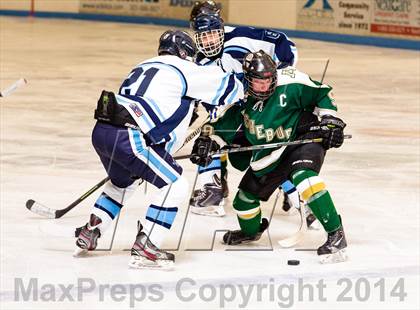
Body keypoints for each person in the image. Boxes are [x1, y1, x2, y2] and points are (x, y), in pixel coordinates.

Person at [74, 30, 244, 269]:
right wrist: (246, 81)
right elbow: (230, 88)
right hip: (129, 136)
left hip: (103, 131)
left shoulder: (143, 65)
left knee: (123, 183)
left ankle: (91, 231)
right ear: (185, 52)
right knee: (175, 185)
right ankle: (147, 244)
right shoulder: (184, 67)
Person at [190, 50, 348, 263]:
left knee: (305, 178)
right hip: (268, 152)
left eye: (268, 80)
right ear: (248, 80)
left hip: (301, 138)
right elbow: (219, 127)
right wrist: (207, 142)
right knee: (244, 202)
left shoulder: (290, 80)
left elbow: (322, 93)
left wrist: (330, 120)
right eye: (258, 82)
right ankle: (251, 232)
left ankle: (335, 234)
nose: (265, 86)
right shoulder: (237, 95)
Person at [188, 0, 299, 217]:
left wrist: (278, 80)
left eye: (213, 33)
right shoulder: (197, 62)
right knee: (210, 135)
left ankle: (298, 193)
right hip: (237, 111)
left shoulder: (242, 36)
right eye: (203, 36)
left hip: (265, 102)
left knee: (267, 146)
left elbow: (286, 45)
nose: (209, 41)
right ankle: (213, 190)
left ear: (221, 27)